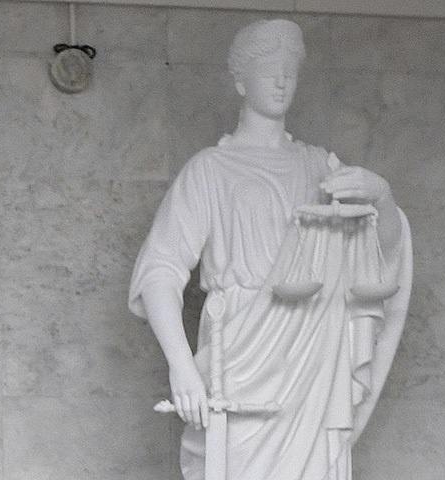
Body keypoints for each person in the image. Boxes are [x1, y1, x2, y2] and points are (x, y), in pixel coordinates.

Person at [129, 19, 412, 480]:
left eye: (290, 71)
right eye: (268, 70)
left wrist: (381, 195)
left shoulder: (320, 168)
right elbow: (160, 270)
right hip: (239, 360)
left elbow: (381, 258)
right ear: (241, 82)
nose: (281, 81)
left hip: (312, 364)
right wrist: (181, 366)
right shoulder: (211, 170)